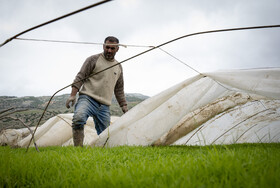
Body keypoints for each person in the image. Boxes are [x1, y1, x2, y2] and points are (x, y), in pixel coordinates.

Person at [65, 36, 128, 147]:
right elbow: (80, 77)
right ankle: (78, 150)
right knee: (78, 118)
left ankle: (103, 153)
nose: (109, 50)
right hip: (88, 98)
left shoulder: (118, 67)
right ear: (103, 46)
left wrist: (124, 106)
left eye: (112, 48)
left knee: (105, 135)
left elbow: (119, 89)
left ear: (117, 49)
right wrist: (72, 95)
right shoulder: (93, 60)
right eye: (107, 47)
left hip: (104, 105)